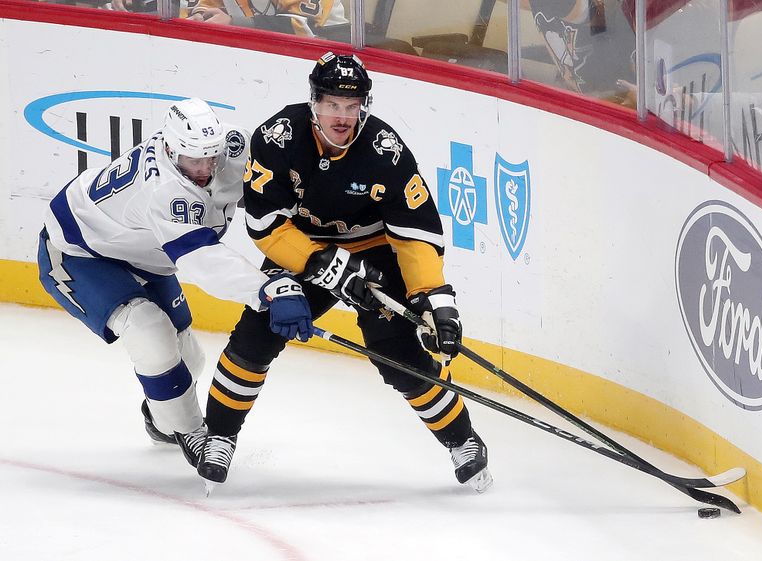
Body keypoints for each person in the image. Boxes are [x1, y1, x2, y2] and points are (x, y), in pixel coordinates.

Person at [196, 52, 493, 493]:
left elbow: (415, 234)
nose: (342, 116)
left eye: (351, 106)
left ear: (364, 106)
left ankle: (463, 441)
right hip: (301, 250)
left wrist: (436, 301)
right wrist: (323, 265)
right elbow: (265, 225)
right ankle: (219, 435)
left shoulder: (384, 152)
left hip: (376, 254)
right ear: (314, 101)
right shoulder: (278, 139)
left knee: (399, 358)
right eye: (333, 104)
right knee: (257, 334)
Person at [37, 98, 313, 470]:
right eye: (192, 160)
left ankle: (160, 415)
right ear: (169, 148)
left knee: (189, 359)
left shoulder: (229, 148)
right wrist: (265, 289)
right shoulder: (163, 190)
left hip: (142, 249)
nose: (203, 169)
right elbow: (201, 258)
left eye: (209, 158)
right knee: (150, 332)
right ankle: (188, 430)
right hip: (76, 251)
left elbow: (273, 172)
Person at [186, 0, 348, 37]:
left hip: (326, 58)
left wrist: (233, 23)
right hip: (260, 56)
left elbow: (303, 27)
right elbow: (207, 5)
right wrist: (200, 15)